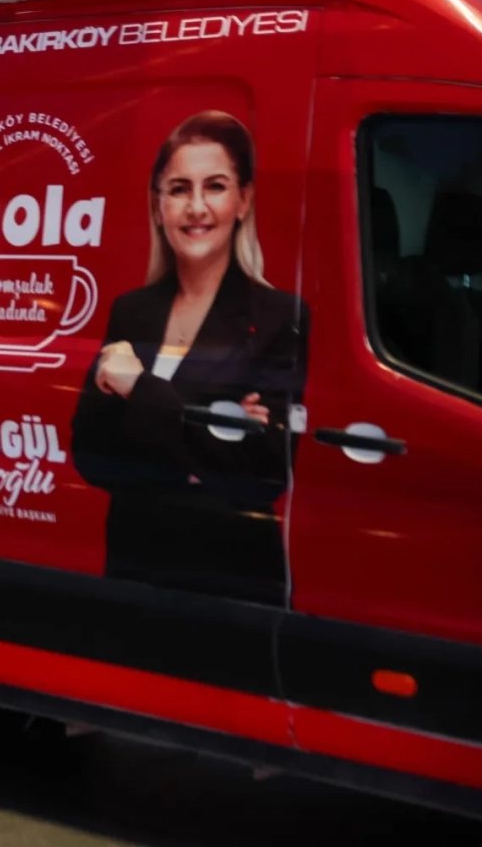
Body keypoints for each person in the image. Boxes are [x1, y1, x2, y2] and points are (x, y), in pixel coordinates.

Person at [70, 111, 310, 607]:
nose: (196, 207)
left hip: (231, 578)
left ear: (243, 200)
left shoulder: (278, 317)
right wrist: (210, 435)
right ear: (158, 207)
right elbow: (91, 452)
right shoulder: (132, 311)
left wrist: (140, 393)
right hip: (136, 569)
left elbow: (260, 474)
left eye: (215, 187)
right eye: (179, 189)